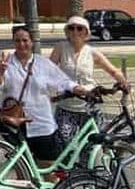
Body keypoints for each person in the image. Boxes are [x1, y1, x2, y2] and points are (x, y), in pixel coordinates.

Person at [0, 25, 87, 165]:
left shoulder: (42, 63)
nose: (22, 44)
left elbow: (62, 81)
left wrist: (77, 88)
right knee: (22, 164)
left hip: (40, 122)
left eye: (25, 40)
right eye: (17, 41)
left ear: (32, 41)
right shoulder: (7, 62)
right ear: (13, 42)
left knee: (48, 163)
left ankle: (47, 186)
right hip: (13, 122)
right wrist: (0, 72)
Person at [50, 15, 129, 145]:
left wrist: (124, 82)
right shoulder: (61, 48)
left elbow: (112, 70)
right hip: (67, 104)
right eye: (71, 28)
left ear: (86, 32)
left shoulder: (92, 52)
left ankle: (86, 165)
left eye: (79, 29)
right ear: (67, 32)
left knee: (92, 144)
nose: (75, 31)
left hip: (89, 104)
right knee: (64, 143)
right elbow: (49, 71)